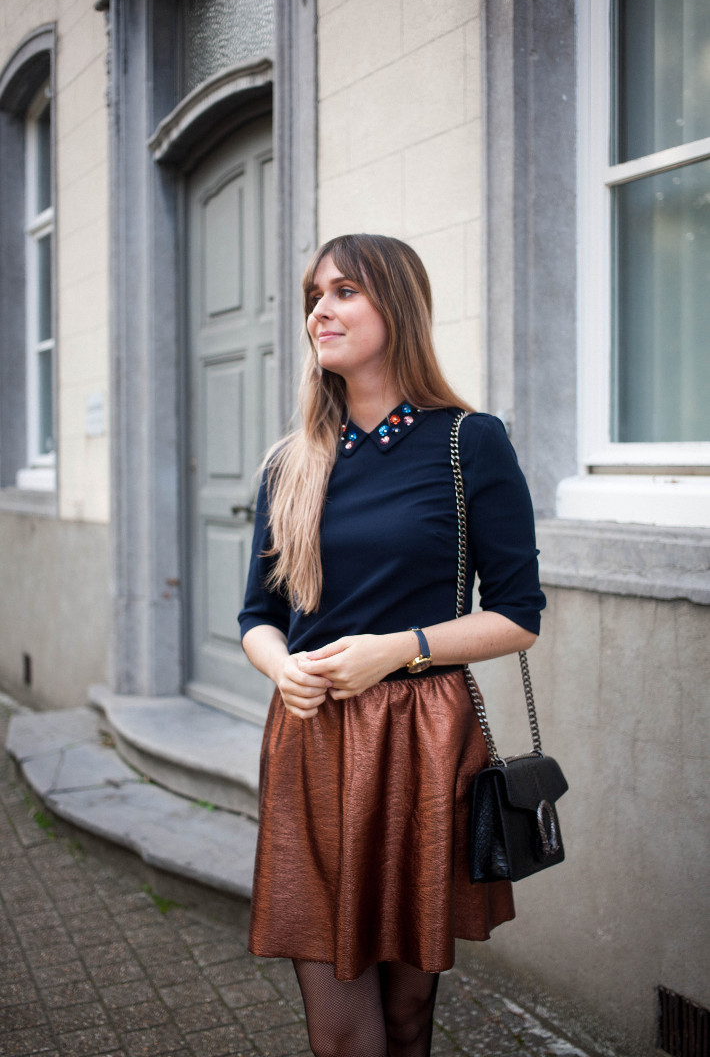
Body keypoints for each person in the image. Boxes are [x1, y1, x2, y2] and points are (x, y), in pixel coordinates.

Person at [238, 233, 545, 1057]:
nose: (320, 312)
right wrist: (283, 666)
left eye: (344, 292)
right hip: (313, 739)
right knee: (343, 1032)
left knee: (409, 1017)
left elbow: (518, 614)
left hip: (423, 739)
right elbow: (255, 616)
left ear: (396, 306)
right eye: (314, 296)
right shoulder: (290, 464)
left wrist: (394, 650)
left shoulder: (466, 442)